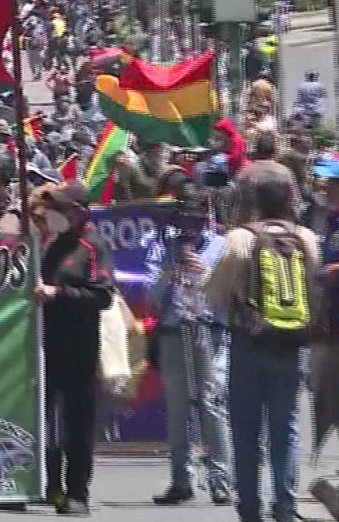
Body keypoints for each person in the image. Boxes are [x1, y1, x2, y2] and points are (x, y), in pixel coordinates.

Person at [209, 176, 319, 522]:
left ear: (254, 205)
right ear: (289, 203)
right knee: (285, 428)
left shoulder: (241, 238)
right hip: (292, 345)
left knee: (245, 429)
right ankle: (285, 505)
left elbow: (216, 293)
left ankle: (250, 508)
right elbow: (314, 292)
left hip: (249, 343)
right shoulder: (305, 238)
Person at [143, 181, 232, 506]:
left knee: (211, 405)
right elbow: (151, 297)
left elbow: (230, 295)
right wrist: (169, 271)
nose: (189, 227)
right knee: (177, 409)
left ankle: (220, 479)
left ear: (206, 216)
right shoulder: (160, 246)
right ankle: (181, 480)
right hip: (173, 331)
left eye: (196, 219)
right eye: (184, 219)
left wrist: (206, 274)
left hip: (208, 332)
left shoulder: (221, 246)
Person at [34, 182, 114, 516]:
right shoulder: (52, 244)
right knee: (46, 416)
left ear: (80, 211)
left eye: (64, 208)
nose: (57, 214)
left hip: (79, 344)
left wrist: (60, 294)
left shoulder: (92, 246)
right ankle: (49, 486)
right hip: (47, 343)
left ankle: (77, 489)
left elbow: (104, 295)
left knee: (77, 419)